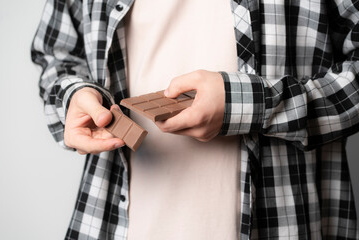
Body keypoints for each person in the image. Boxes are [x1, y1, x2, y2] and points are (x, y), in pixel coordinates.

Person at [31, 0, 359, 239]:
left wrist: (248, 104)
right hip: (112, 224)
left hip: (283, 225)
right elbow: (57, 58)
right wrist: (73, 95)